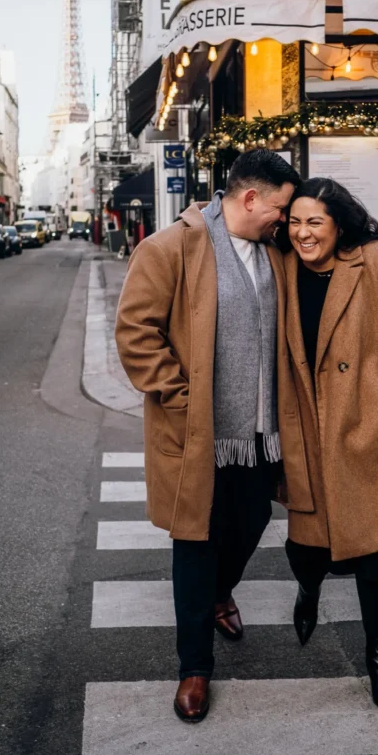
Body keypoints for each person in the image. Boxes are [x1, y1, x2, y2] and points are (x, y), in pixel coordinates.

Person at [115, 150, 302, 724]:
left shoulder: (277, 253)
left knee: (250, 524)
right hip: (197, 434)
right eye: (280, 208)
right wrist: (180, 395)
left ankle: (223, 595)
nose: (285, 220)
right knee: (194, 542)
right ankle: (194, 667)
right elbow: (135, 331)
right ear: (249, 198)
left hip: (259, 434)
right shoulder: (171, 246)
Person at [281, 177, 378, 712]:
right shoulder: (282, 266)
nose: (302, 233)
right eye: (295, 222)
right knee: (304, 547)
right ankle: (308, 587)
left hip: (367, 428)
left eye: (314, 222)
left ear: (338, 223)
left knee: (376, 554)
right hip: (307, 431)